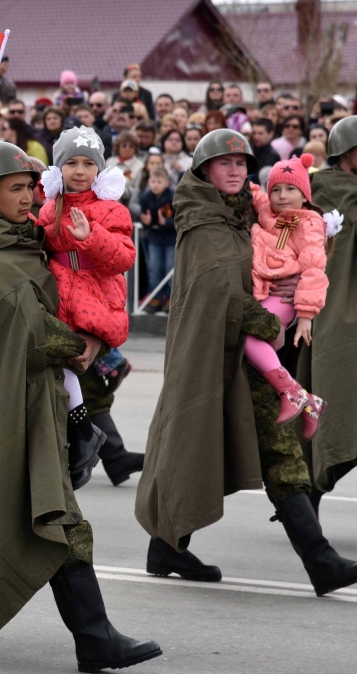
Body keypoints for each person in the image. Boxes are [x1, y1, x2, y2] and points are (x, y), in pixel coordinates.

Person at [0, 142, 161, 672]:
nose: (27, 198)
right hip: (5, 400)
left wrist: (91, 331)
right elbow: (25, 327)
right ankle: (94, 638)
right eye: (15, 188)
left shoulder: (20, 240)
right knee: (57, 514)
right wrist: (81, 342)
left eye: (31, 188)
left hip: (32, 396)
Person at [136, 128, 357, 596]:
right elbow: (217, 288)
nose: (235, 170)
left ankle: (319, 562)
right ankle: (167, 546)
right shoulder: (204, 221)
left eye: (242, 163)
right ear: (205, 169)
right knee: (196, 445)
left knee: (279, 453)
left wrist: (294, 289)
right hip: (214, 354)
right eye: (225, 163)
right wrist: (268, 319)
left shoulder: (250, 213)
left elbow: (285, 252)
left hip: (248, 356)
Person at [38, 127, 136, 487]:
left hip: (94, 296)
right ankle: (80, 432)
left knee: (71, 358)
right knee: (61, 362)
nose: (80, 171)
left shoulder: (111, 210)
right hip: (60, 296)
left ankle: (84, 432)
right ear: (59, 168)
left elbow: (124, 258)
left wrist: (92, 238)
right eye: (72, 163)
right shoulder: (49, 208)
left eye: (88, 163)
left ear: (99, 169)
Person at [244, 153, 330, 435]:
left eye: (291, 189)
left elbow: (314, 270)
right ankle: (308, 401)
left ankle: (290, 391)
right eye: (276, 189)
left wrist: (305, 316)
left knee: (250, 337)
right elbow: (253, 192)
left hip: (284, 299)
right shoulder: (267, 212)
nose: (282, 196)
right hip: (266, 291)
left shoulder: (310, 224)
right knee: (253, 343)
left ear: (304, 195)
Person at [300, 115, 357, 511]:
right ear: (347, 153)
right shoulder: (320, 193)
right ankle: (308, 497)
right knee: (334, 409)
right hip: (333, 316)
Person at [138, 167, 177, 311]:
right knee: (154, 267)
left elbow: (180, 220)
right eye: (153, 181)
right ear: (149, 182)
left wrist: (166, 222)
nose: (155, 185)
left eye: (159, 182)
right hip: (154, 238)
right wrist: (146, 222)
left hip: (171, 239)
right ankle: (155, 297)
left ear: (167, 183)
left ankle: (171, 298)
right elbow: (144, 217)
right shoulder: (145, 197)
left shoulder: (173, 197)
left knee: (170, 268)